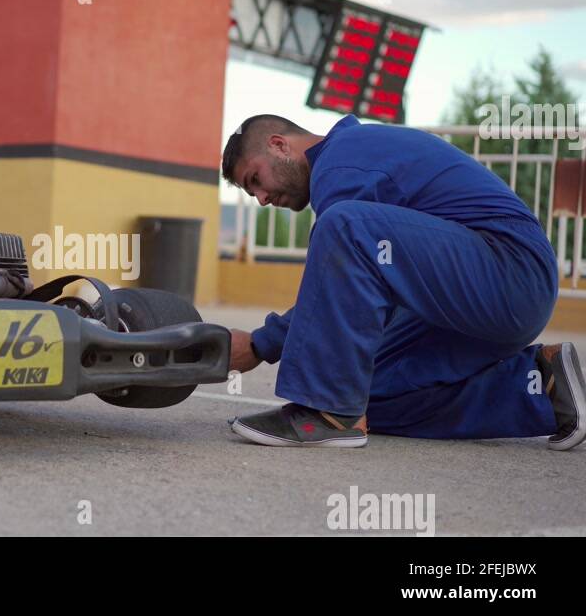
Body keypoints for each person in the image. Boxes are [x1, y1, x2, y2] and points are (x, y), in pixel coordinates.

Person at [221, 114, 585, 450]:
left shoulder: (342, 159)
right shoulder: (347, 164)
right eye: (252, 195)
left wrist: (260, 344)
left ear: (278, 144)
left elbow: (339, 267)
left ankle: (326, 414)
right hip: (469, 298)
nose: (263, 198)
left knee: (345, 227)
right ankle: (544, 387)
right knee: (369, 391)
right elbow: (357, 290)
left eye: (256, 180)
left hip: (511, 271)